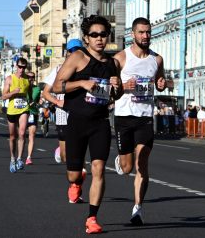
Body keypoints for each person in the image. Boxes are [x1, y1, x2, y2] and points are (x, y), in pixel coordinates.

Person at [53, 15, 122, 234]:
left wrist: (117, 86)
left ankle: (92, 217)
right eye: (94, 35)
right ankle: (76, 182)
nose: (99, 39)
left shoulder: (112, 63)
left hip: (100, 122)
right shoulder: (77, 58)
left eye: (103, 34)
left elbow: (115, 97)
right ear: (86, 38)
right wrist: (82, 82)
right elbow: (56, 86)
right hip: (76, 122)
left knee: (99, 168)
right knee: (74, 173)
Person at [113, 17, 169, 226]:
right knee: (127, 168)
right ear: (133, 34)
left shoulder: (157, 60)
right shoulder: (120, 58)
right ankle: (121, 160)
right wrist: (124, 87)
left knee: (142, 162)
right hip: (124, 116)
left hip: (145, 117)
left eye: (148, 32)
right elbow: (111, 89)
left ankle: (138, 208)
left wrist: (162, 84)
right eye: (141, 32)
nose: (145, 36)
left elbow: (160, 82)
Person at [41, 39, 84, 166]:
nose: (75, 54)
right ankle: (60, 151)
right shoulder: (59, 69)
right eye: (72, 51)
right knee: (65, 156)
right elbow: (46, 92)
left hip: (80, 112)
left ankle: (77, 179)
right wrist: (56, 101)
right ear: (67, 53)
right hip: (62, 113)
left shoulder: (86, 70)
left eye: (78, 51)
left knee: (78, 149)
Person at [2, 56, 31, 173]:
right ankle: (12, 158)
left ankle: (19, 159)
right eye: (20, 67)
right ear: (16, 66)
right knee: (12, 136)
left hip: (24, 108)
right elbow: (3, 96)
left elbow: (29, 92)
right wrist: (13, 92)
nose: (22, 70)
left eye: (24, 67)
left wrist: (32, 101)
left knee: (23, 133)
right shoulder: (9, 79)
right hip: (12, 110)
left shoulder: (27, 80)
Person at [25, 71, 41, 165]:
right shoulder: (22, 88)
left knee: (32, 135)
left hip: (32, 113)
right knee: (22, 135)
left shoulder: (37, 89)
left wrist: (39, 103)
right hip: (22, 113)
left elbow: (37, 99)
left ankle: (29, 157)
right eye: (28, 77)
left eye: (32, 77)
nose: (30, 79)